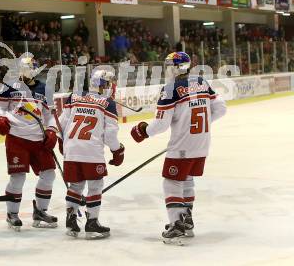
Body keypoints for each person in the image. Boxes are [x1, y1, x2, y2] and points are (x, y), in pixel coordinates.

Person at [131, 52, 227, 245]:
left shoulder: (170, 88)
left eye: (169, 65)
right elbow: (221, 109)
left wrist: (144, 132)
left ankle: (176, 224)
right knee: (187, 180)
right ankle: (187, 220)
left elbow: (161, 125)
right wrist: (199, 127)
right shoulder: (201, 81)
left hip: (182, 146)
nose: (166, 69)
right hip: (202, 143)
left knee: (172, 182)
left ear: (176, 67)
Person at [50, 69, 124, 239]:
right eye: (109, 84)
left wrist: (62, 142)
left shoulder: (74, 97)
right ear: (103, 85)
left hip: (72, 150)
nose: (111, 87)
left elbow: (61, 124)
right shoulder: (108, 103)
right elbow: (110, 135)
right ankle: (92, 223)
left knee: (75, 186)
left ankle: (71, 219)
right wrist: (118, 150)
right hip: (92, 152)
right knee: (95, 186)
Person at [0, 56, 58, 231]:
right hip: (17, 138)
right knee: (18, 177)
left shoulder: (45, 89)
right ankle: (12, 214)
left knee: (49, 174)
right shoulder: (9, 86)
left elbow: (50, 115)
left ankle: (41, 211)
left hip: (38, 139)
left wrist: (51, 130)